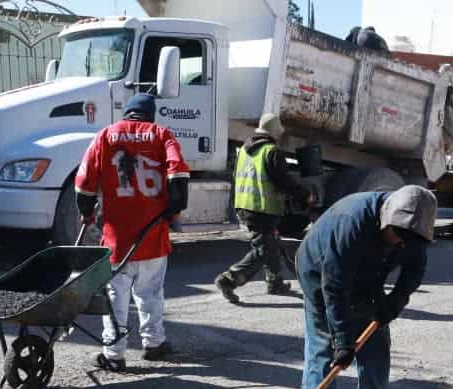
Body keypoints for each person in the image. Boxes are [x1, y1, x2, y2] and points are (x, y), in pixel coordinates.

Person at [295, 185, 437, 389]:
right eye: (396, 236)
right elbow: (333, 286)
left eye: (406, 242)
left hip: (367, 275)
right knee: (325, 352)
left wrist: (394, 302)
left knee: (376, 341)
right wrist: (342, 341)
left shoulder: (413, 236)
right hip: (319, 271)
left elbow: (413, 271)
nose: (400, 244)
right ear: (386, 218)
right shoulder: (352, 221)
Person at [74, 93, 190, 371]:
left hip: (117, 239)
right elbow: (178, 174)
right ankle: (154, 344)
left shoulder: (105, 136)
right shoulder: (162, 135)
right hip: (152, 237)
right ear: (150, 115)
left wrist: (88, 212)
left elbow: (84, 182)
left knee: (115, 295)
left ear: (127, 113)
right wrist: (172, 211)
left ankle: (114, 354)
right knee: (150, 293)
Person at [214, 114, 312, 303]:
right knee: (264, 249)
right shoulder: (272, 151)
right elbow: (285, 182)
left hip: (245, 205)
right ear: (275, 133)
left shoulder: (244, 149)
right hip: (262, 209)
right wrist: (305, 195)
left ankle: (275, 282)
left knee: (271, 242)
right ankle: (228, 280)